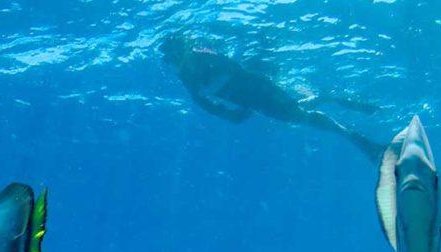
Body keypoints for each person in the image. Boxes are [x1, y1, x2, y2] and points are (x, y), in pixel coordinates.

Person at [160, 32, 385, 160]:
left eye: (175, 55)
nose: (176, 63)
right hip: (254, 100)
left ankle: (359, 137)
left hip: (259, 90)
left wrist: (231, 108)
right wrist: (227, 114)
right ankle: (344, 116)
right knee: (300, 114)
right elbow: (201, 101)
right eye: (172, 59)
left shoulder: (200, 57)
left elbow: (234, 68)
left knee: (299, 113)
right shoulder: (187, 76)